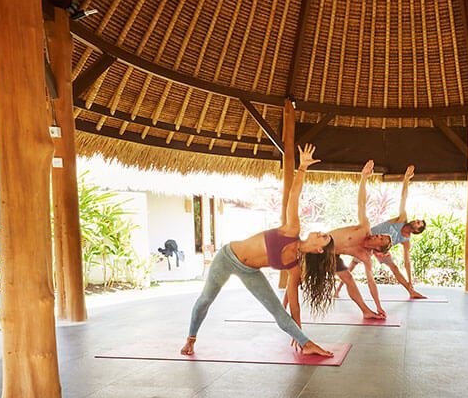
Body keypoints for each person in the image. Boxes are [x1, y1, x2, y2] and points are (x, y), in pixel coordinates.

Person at [181, 144, 336, 357]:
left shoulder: (294, 266)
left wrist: (299, 334)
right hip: (227, 257)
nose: (320, 232)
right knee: (206, 299)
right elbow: (294, 196)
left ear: (319, 250)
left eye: (323, 237)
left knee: (277, 311)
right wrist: (302, 168)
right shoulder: (292, 230)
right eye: (322, 232)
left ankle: (307, 344)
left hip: (250, 271)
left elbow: (294, 303)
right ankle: (190, 339)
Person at [319, 158, 393, 319]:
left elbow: (371, 282)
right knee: (297, 277)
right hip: (319, 244)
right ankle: (284, 308)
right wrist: (364, 178)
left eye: (381, 239)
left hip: (331, 255)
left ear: (378, 248)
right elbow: (361, 204)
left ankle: (367, 311)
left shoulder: (365, 257)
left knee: (348, 279)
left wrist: (379, 306)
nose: (378, 235)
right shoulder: (364, 228)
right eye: (381, 235)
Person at [339, 165, 427, 299]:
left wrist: (410, 280)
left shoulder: (406, 241)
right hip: (369, 240)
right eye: (417, 220)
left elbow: (407, 261)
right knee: (353, 264)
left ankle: (411, 291)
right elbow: (403, 198)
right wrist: (406, 180)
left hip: (381, 249)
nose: (415, 221)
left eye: (418, 223)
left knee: (394, 268)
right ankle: (337, 290)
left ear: (416, 231)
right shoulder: (402, 219)